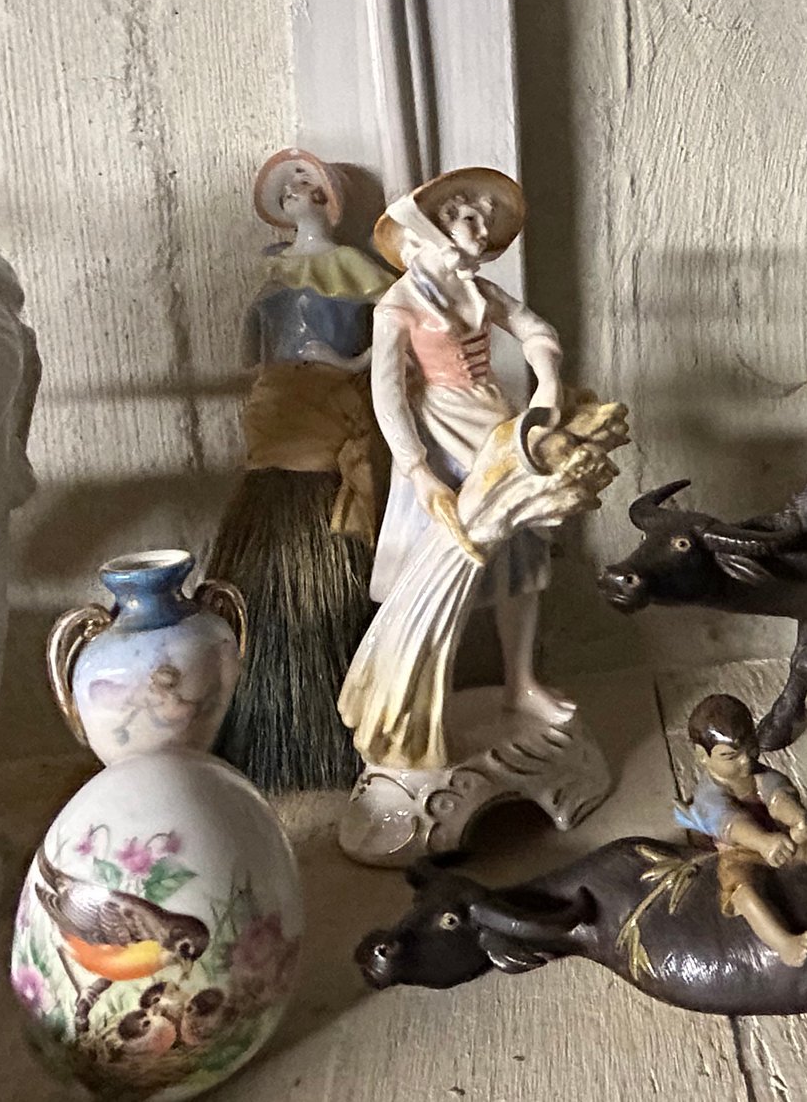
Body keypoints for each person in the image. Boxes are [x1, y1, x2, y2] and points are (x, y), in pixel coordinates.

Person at [337, 167, 571, 771]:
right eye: (469, 219)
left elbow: (534, 328)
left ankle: (521, 682)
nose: (482, 230)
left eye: (485, 222)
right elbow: (388, 395)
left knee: (523, 558)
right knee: (447, 570)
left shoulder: (480, 292)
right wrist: (418, 469)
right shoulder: (399, 306)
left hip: (496, 424)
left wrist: (547, 379)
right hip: (441, 435)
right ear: (432, 232)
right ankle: (428, 698)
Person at [211, 148, 396, 793]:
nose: (300, 194)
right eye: (289, 189)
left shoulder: (356, 268)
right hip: (278, 408)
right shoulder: (273, 273)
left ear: (329, 199)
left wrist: (346, 365)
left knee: (331, 533)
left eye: (312, 186)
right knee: (267, 529)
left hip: (332, 404)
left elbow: (395, 330)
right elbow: (249, 350)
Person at [676, 694, 807, 967]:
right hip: (738, 852)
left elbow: (777, 796)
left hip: (778, 839)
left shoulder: (759, 775)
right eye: (731, 756)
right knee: (744, 893)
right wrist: (763, 842)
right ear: (702, 756)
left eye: (750, 747)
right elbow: (731, 823)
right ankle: (784, 944)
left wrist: (797, 819)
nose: (746, 761)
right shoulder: (707, 795)